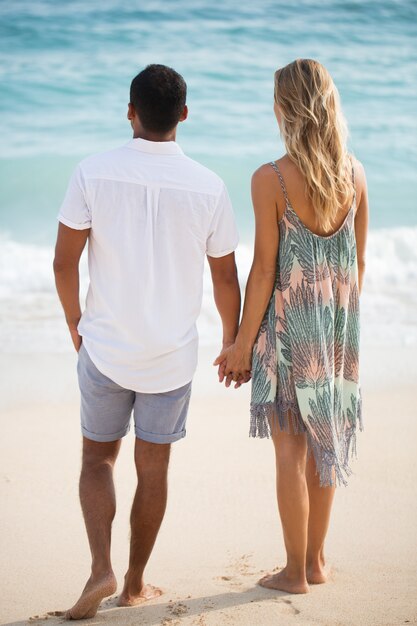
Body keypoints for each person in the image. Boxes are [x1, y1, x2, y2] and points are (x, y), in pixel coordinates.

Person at [53, 64, 240, 619]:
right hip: (170, 356)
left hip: (106, 347)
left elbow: (65, 262)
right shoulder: (209, 185)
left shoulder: (93, 172)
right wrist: (232, 340)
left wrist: (75, 324)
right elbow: (226, 278)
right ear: (184, 115)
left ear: (129, 112)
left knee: (96, 459)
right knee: (153, 469)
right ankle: (134, 584)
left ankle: (99, 569)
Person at [215, 58, 368, 594]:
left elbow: (263, 270)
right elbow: (358, 267)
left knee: (290, 452)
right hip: (335, 335)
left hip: (286, 335)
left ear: (286, 110)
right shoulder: (354, 174)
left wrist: (238, 344)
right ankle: (318, 562)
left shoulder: (271, 178)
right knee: (324, 447)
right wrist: (337, 334)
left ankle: (293, 571)